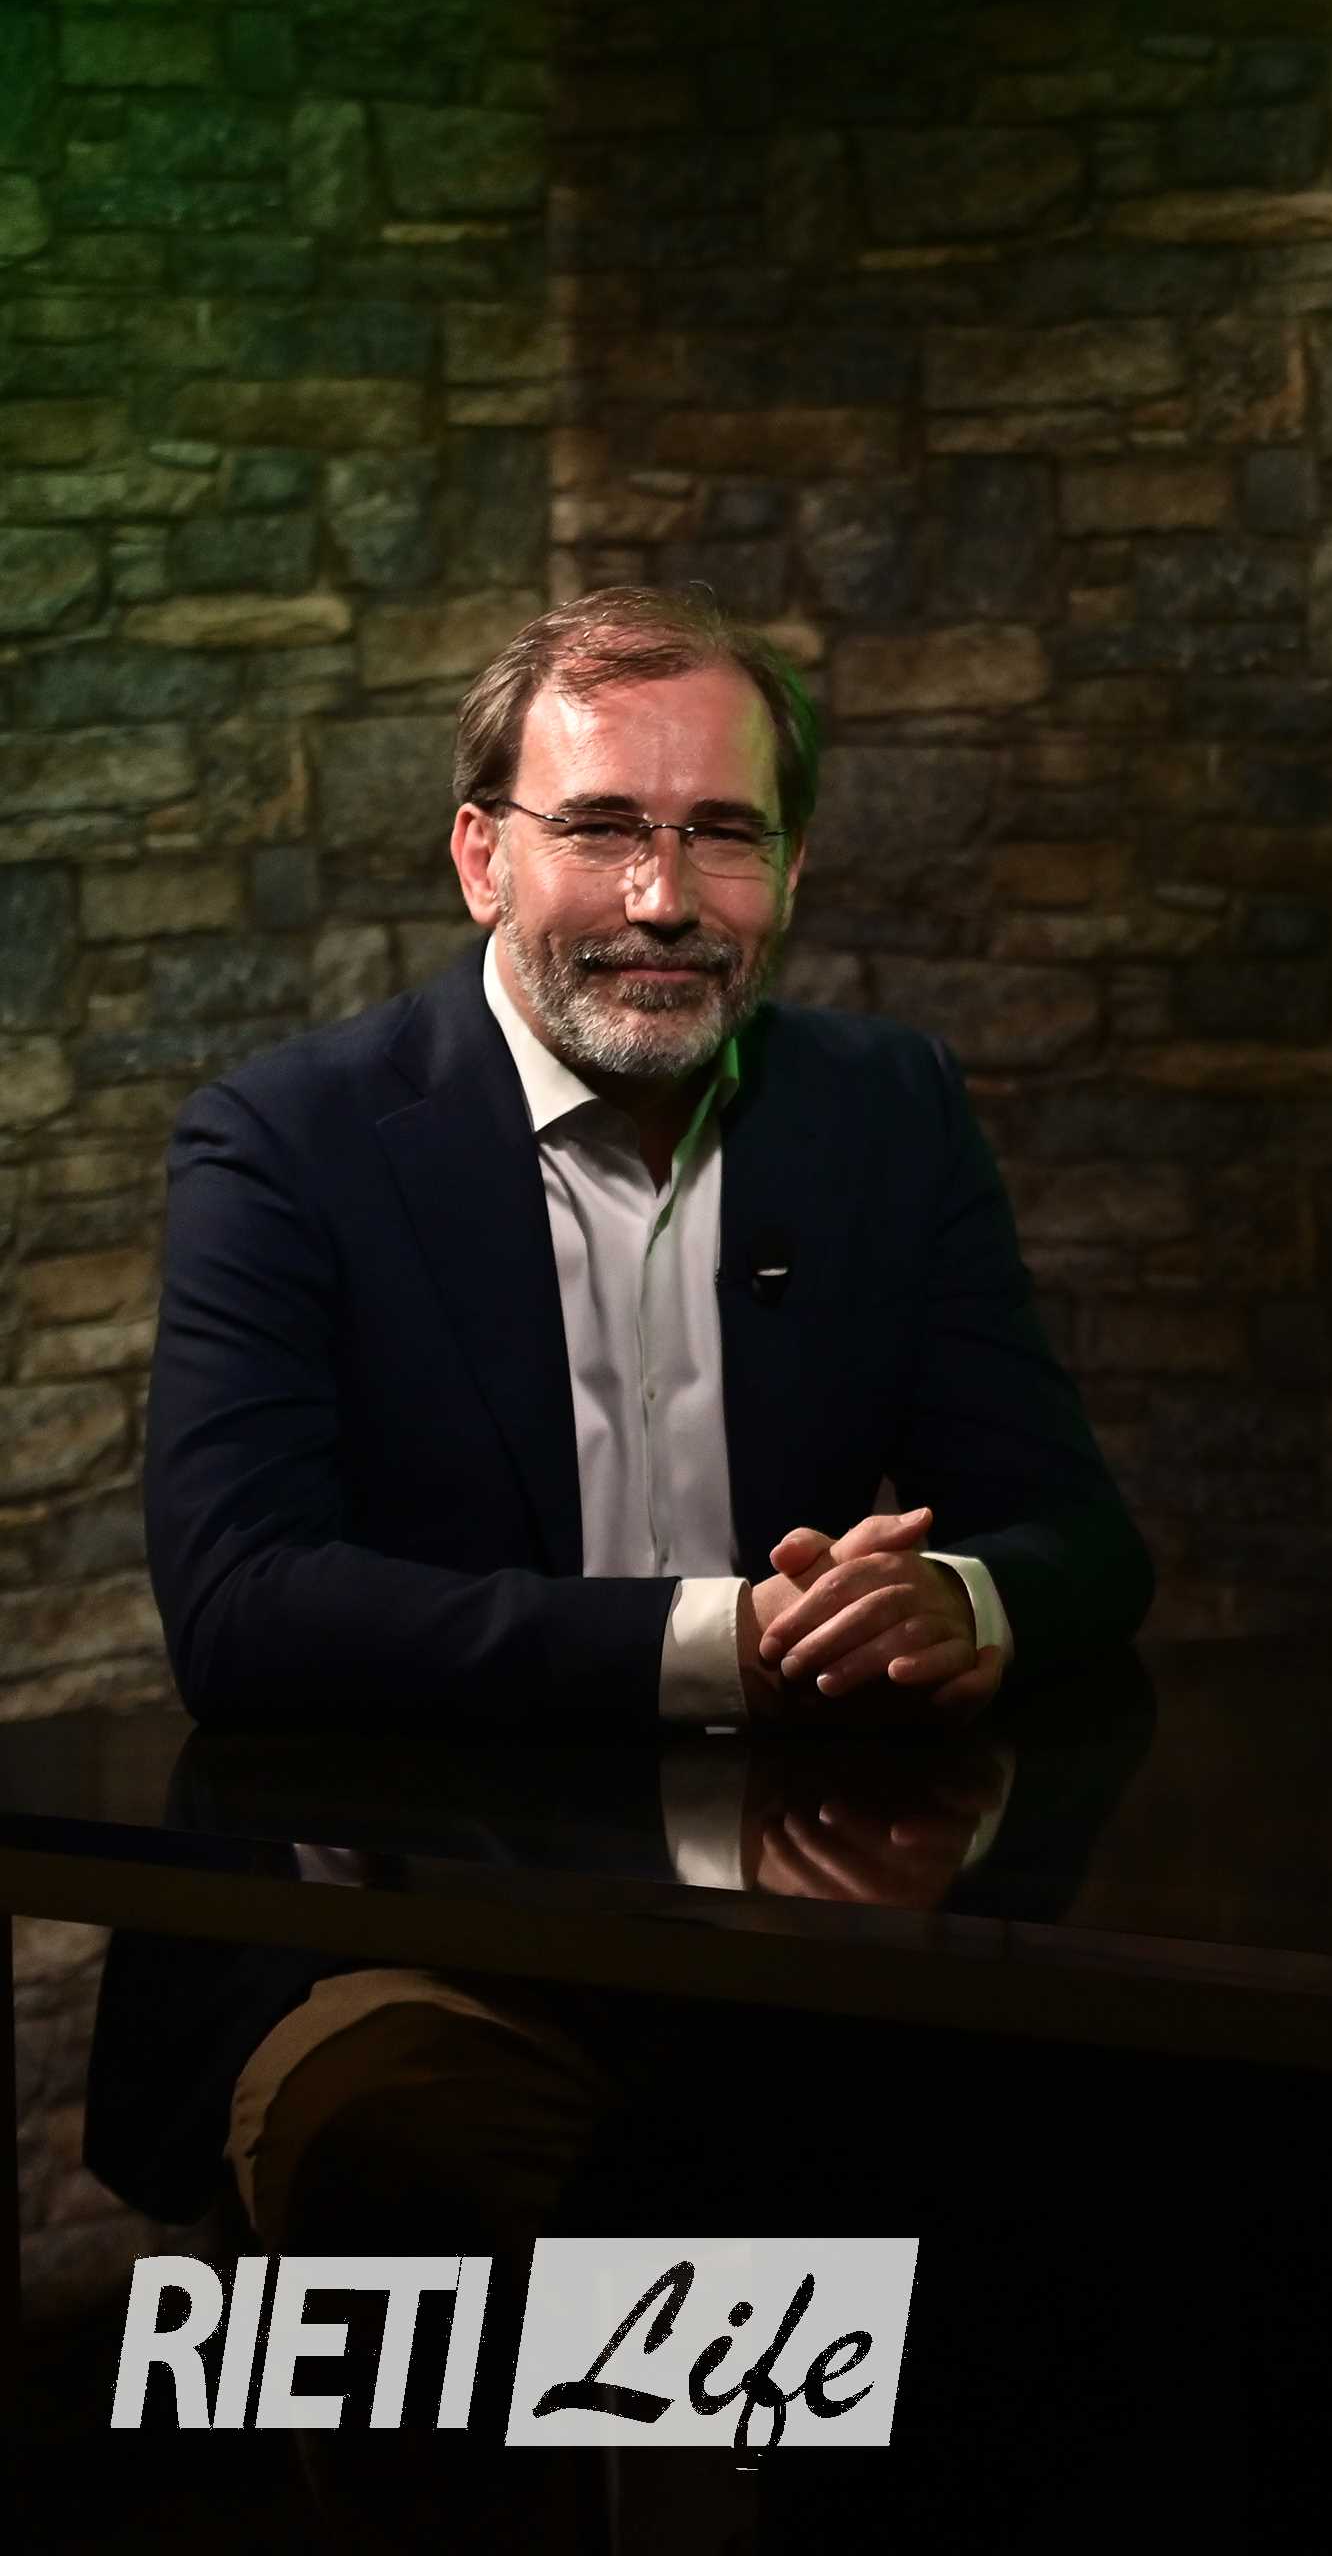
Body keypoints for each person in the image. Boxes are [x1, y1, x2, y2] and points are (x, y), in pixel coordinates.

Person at [93, 582, 1151, 2267]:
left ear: (791, 872)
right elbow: (241, 1606)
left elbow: (1080, 1537)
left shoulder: (888, 1113)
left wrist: (958, 1600)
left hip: (802, 1933)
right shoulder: (288, 1142)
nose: (664, 898)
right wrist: (726, 1645)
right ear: (482, 857)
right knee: (418, 2158)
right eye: (600, 828)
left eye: (723, 834)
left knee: (1137, 2172)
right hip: (407, 1937)